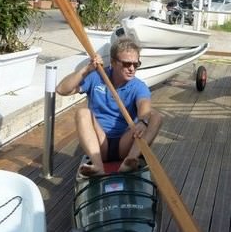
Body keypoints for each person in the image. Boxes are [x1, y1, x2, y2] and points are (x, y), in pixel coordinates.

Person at [56, 36, 161, 177]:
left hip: (124, 144)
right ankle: (98, 166)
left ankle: (130, 160)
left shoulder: (138, 86)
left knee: (155, 117)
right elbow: (62, 90)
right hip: (100, 143)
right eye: (126, 64)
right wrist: (85, 70)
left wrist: (142, 121)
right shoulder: (96, 77)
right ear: (112, 62)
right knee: (82, 112)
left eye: (135, 65)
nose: (131, 69)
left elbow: (144, 106)